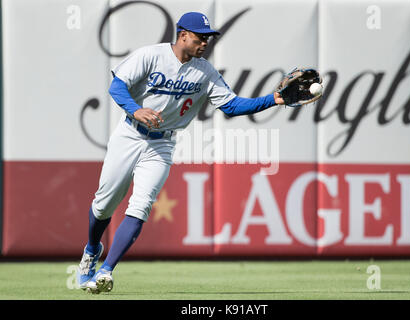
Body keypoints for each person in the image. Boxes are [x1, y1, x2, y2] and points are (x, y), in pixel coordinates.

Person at [76, 11, 285, 294]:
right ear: (183, 34)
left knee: (141, 205)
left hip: (162, 144)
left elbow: (232, 106)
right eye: (201, 37)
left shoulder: (205, 72)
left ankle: (106, 269)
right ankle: (92, 249)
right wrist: (136, 110)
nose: (205, 43)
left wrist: (273, 99)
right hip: (129, 134)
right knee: (104, 204)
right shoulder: (150, 56)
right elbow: (117, 86)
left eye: (208, 38)